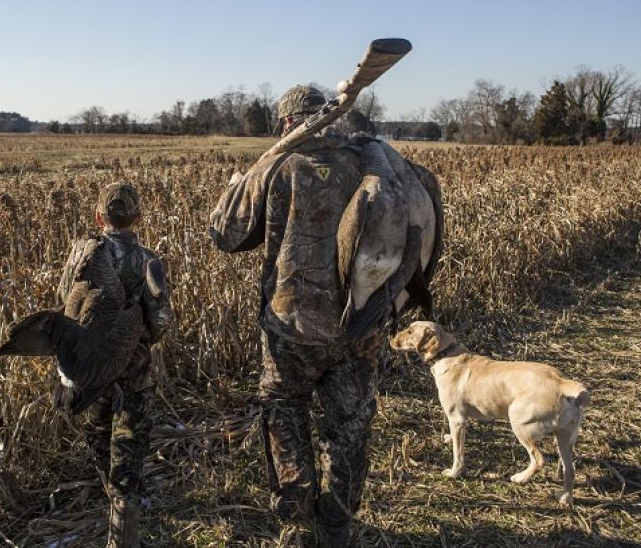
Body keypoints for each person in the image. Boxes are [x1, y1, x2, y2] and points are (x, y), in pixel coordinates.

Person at [210, 85, 434, 546]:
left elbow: (225, 236)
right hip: (362, 326)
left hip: (292, 327)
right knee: (350, 424)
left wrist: (238, 185)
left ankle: (295, 522)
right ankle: (336, 524)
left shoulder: (278, 166)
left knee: (285, 410)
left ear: (288, 123)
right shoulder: (373, 164)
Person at [57, 182, 173, 548]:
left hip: (90, 378)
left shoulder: (82, 254)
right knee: (128, 461)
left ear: (98, 217)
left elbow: (65, 300)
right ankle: (123, 535)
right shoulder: (148, 261)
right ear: (138, 217)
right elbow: (160, 323)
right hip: (133, 380)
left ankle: (117, 513)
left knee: (100, 443)